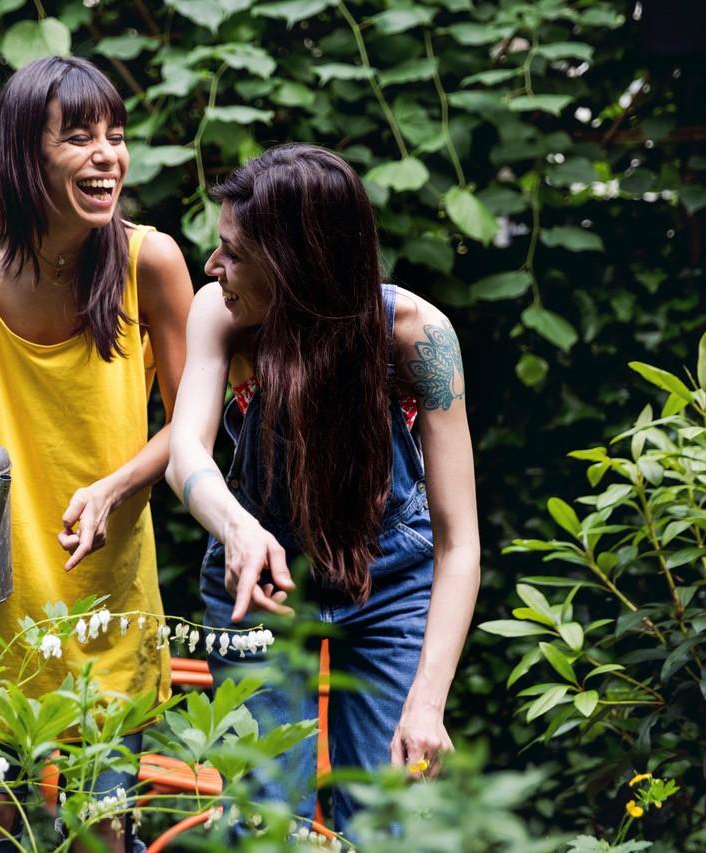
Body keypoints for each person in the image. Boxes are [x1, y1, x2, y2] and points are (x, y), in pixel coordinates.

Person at [0, 56, 193, 851]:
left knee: (101, 836)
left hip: (105, 600)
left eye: (117, 136)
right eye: (81, 137)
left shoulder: (151, 262)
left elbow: (190, 423)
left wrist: (113, 486)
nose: (109, 155)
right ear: (25, 153)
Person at [166, 144, 480, 830]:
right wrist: (238, 528)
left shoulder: (418, 337)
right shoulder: (218, 313)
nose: (213, 267)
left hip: (391, 579)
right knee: (262, 821)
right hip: (260, 584)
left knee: (390, 819)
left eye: (234, 252)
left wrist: (428, 702)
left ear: (295, 262)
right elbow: (184, 450)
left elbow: (459, 544)